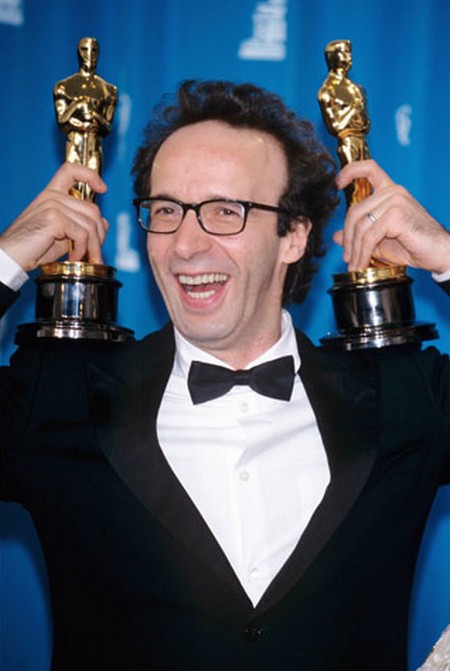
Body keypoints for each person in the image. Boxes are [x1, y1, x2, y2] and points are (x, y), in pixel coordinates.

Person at [1, 79, 450, 670]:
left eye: (224, 212)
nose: (186, 245)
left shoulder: (406, 395)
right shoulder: (55, 396)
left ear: (293, 236)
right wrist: (6, 259)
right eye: (166, 211)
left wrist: (446, 253)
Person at [53, 36, 118, 201]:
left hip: (94, 147)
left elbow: (107, 127)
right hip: (74, 144)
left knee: (91, 193)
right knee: (73, 193)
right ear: (78, 52)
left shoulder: (108, 90)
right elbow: (62, 121)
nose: (89, 54)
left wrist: (95, 116)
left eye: (94, 50)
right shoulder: (64, 87)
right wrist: (78, 105)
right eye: (84, 49)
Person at [318, 39, 371, 206]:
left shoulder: (356, 88)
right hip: (348, 142)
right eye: (344, 54)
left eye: (349, 54)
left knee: (366, 188)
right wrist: (354, 109)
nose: (349, 58)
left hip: (362, 143)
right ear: (332, 57)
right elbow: (335, 126)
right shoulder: (327, 91)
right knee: (353, 188)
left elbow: (365, 120)